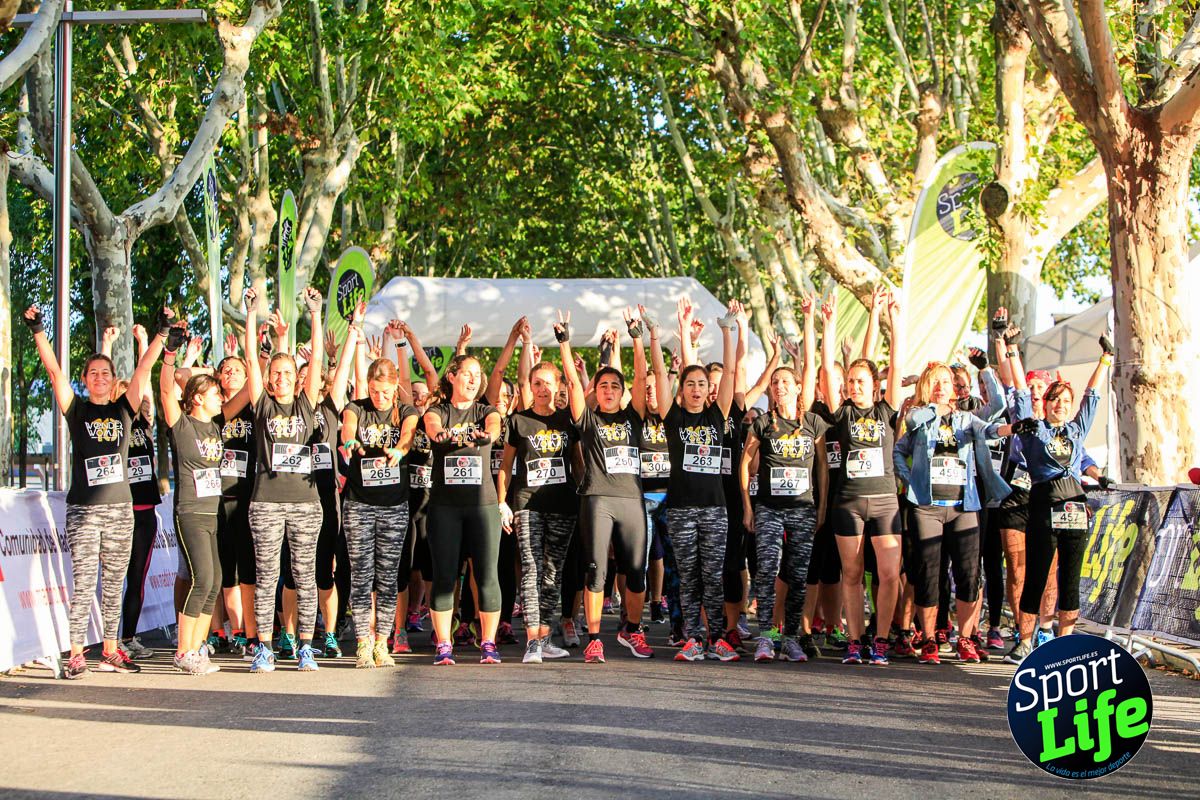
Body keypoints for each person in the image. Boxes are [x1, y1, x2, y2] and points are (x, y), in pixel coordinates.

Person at [24, 305, 168, 678]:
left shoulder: (124, 409)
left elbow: (143, 370)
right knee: (85, 581)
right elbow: (54, 371)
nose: (100, 378)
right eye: (93, 373)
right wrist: (39, 328)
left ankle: (110, 648)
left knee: (113, 583)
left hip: (121, 510)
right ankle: (75, 653)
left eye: (105, 373)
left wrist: (162, 333)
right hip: (84, 511)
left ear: (111, 378)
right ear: (86, 379)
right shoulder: (76, 410)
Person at [230, 286, 325, 673]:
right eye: (277, 374)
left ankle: (305, 645)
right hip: (266, 502)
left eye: (288, 373)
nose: (282, 378)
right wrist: (251, 314)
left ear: (296, 379)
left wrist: (315, 314)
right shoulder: (262, 404)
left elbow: (317, 358)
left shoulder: (306, 402)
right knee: (267, 576)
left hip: (306, 504)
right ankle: (264, 647)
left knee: (305, 575)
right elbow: (250, 357)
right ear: (269, 380)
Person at [1003, 333, 1112, 664]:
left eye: (1066, 401)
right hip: (1042, 505)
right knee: (1036, 573)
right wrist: (1010, 350)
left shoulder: (1077, 430)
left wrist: (1105, 359)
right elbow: (1022, 394)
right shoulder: (1036, 429)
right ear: (1047, 403)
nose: (1061, 405)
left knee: (1070, 579)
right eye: (1055, 400)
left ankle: (1064, 645)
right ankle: (1025, 639)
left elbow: (1091, 398)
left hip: (1075, 506)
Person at [893, 362, 1013, 665]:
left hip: (964, 506)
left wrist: (1011, 427)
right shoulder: (919, 416)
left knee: (969, 575)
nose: (941, 387)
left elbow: (990, 426)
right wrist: (911, 481)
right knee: (928, 574)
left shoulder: (966, 420)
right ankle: (930, 638)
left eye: (946, 382)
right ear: (926, 386)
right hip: (928, 508)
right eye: (935, 382)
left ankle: (965, 637)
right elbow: (899, 449)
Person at [558, 308, 653, 663]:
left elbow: (642, 379)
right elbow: (570, 381)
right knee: (596, 569)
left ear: (622, 392)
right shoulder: (588, 418)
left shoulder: (633, 416)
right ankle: (595, 637)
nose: (610, 390)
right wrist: (565, 344)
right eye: (603, 386)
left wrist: (637, 337)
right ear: (595, 391)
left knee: (636, 571)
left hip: (631, 499)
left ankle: (633, 628)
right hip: (597, 499)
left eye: (615, 386)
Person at [650, 301, 741, 662]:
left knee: (713, 577)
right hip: (681, 511)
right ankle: (693, 639)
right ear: (683, 389)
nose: (697, 389)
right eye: (690, 384)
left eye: (702, 384)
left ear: (709, 390)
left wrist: (726, 331)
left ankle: (718, 637)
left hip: (715, 512)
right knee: (688, 578)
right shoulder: (672, 418)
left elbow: (731, 372)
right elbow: (659, 376)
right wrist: (657, 337)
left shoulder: (718, 417)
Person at [820, 290, 904, 666]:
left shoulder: (887, 410)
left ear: (874, 384)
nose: (854, 385)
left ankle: (881, 640)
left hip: (885, 501)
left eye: (860, 380)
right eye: (850, 381)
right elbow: (825, 371)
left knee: (888, 575)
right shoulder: (842, 415)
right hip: (848, 503)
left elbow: (896, 364)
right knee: (851, 576)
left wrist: (887, 320)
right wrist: (827, 324)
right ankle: (855, 642)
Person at [740, 295, 824, 663]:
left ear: (798, 387)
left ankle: (791, 636)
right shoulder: (762, 423)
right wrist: (748, 507)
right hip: (770, 509)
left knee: (798, 575)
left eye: (786, 382)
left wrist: (821, 506)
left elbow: (821, 468)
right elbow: (744, 464)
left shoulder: (812, 424)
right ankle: (766, 637)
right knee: (767, 572)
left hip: (804, 510)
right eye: (775, 383)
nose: (780, 387)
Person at [498, 319, 578, 663]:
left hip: (563, 504)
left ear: (558, 385)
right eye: (536, 384)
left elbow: (579, 463)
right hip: (527, 504)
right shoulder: (518, 421)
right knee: (531, 568)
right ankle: (531, 641)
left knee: (552, 571)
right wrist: (502, 503)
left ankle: (546, 638)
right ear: (529, 386)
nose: (542, 389)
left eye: (548, 384)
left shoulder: (567, 421)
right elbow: (505, 467)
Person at [423, 354, 505, 665]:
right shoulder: (438, 411)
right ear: (452, 377)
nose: (472, 380)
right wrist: (439, 434)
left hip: (482, 507)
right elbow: (431, 424)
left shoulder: (485, 410)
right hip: (445, 508)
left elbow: (494, 424)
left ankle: (488, 643)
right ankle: (443, 644)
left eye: (477, 375)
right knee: (445, 577)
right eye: (467, 374)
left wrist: (488, 435)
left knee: (487, 575)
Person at [160, 329, 231, 675]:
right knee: (201, 578)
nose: (221, 397)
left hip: (211, 513)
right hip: (189, 513)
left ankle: (198, 649)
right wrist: (170, 353)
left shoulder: (215, 427)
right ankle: (183, 651)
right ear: (198, 398)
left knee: (214, 580)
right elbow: (165, 389)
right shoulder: (183, 425)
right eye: (215, 393)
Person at [341, 357, 420, 667]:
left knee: (387, 578)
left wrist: (399, 450)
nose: (380, 398)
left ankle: (382, 642)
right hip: (359, 505)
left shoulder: (406, 411)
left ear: (395, 386)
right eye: (375, 391)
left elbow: (409, 434)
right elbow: (348, 425)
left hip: (394, 507)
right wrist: (349, 440)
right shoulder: (357, 407)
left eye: (386, 392)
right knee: (361, 576)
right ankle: (362, 642)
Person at [111, 324, 163, 661]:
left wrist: (145, 343)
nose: (135, 396)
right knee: (115, 579)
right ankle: (109, 641)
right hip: (119, 512)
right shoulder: (112, 425)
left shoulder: (144, 423)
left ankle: (128, 637)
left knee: (136, 578)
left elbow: (145, 387)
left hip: (145, 514)